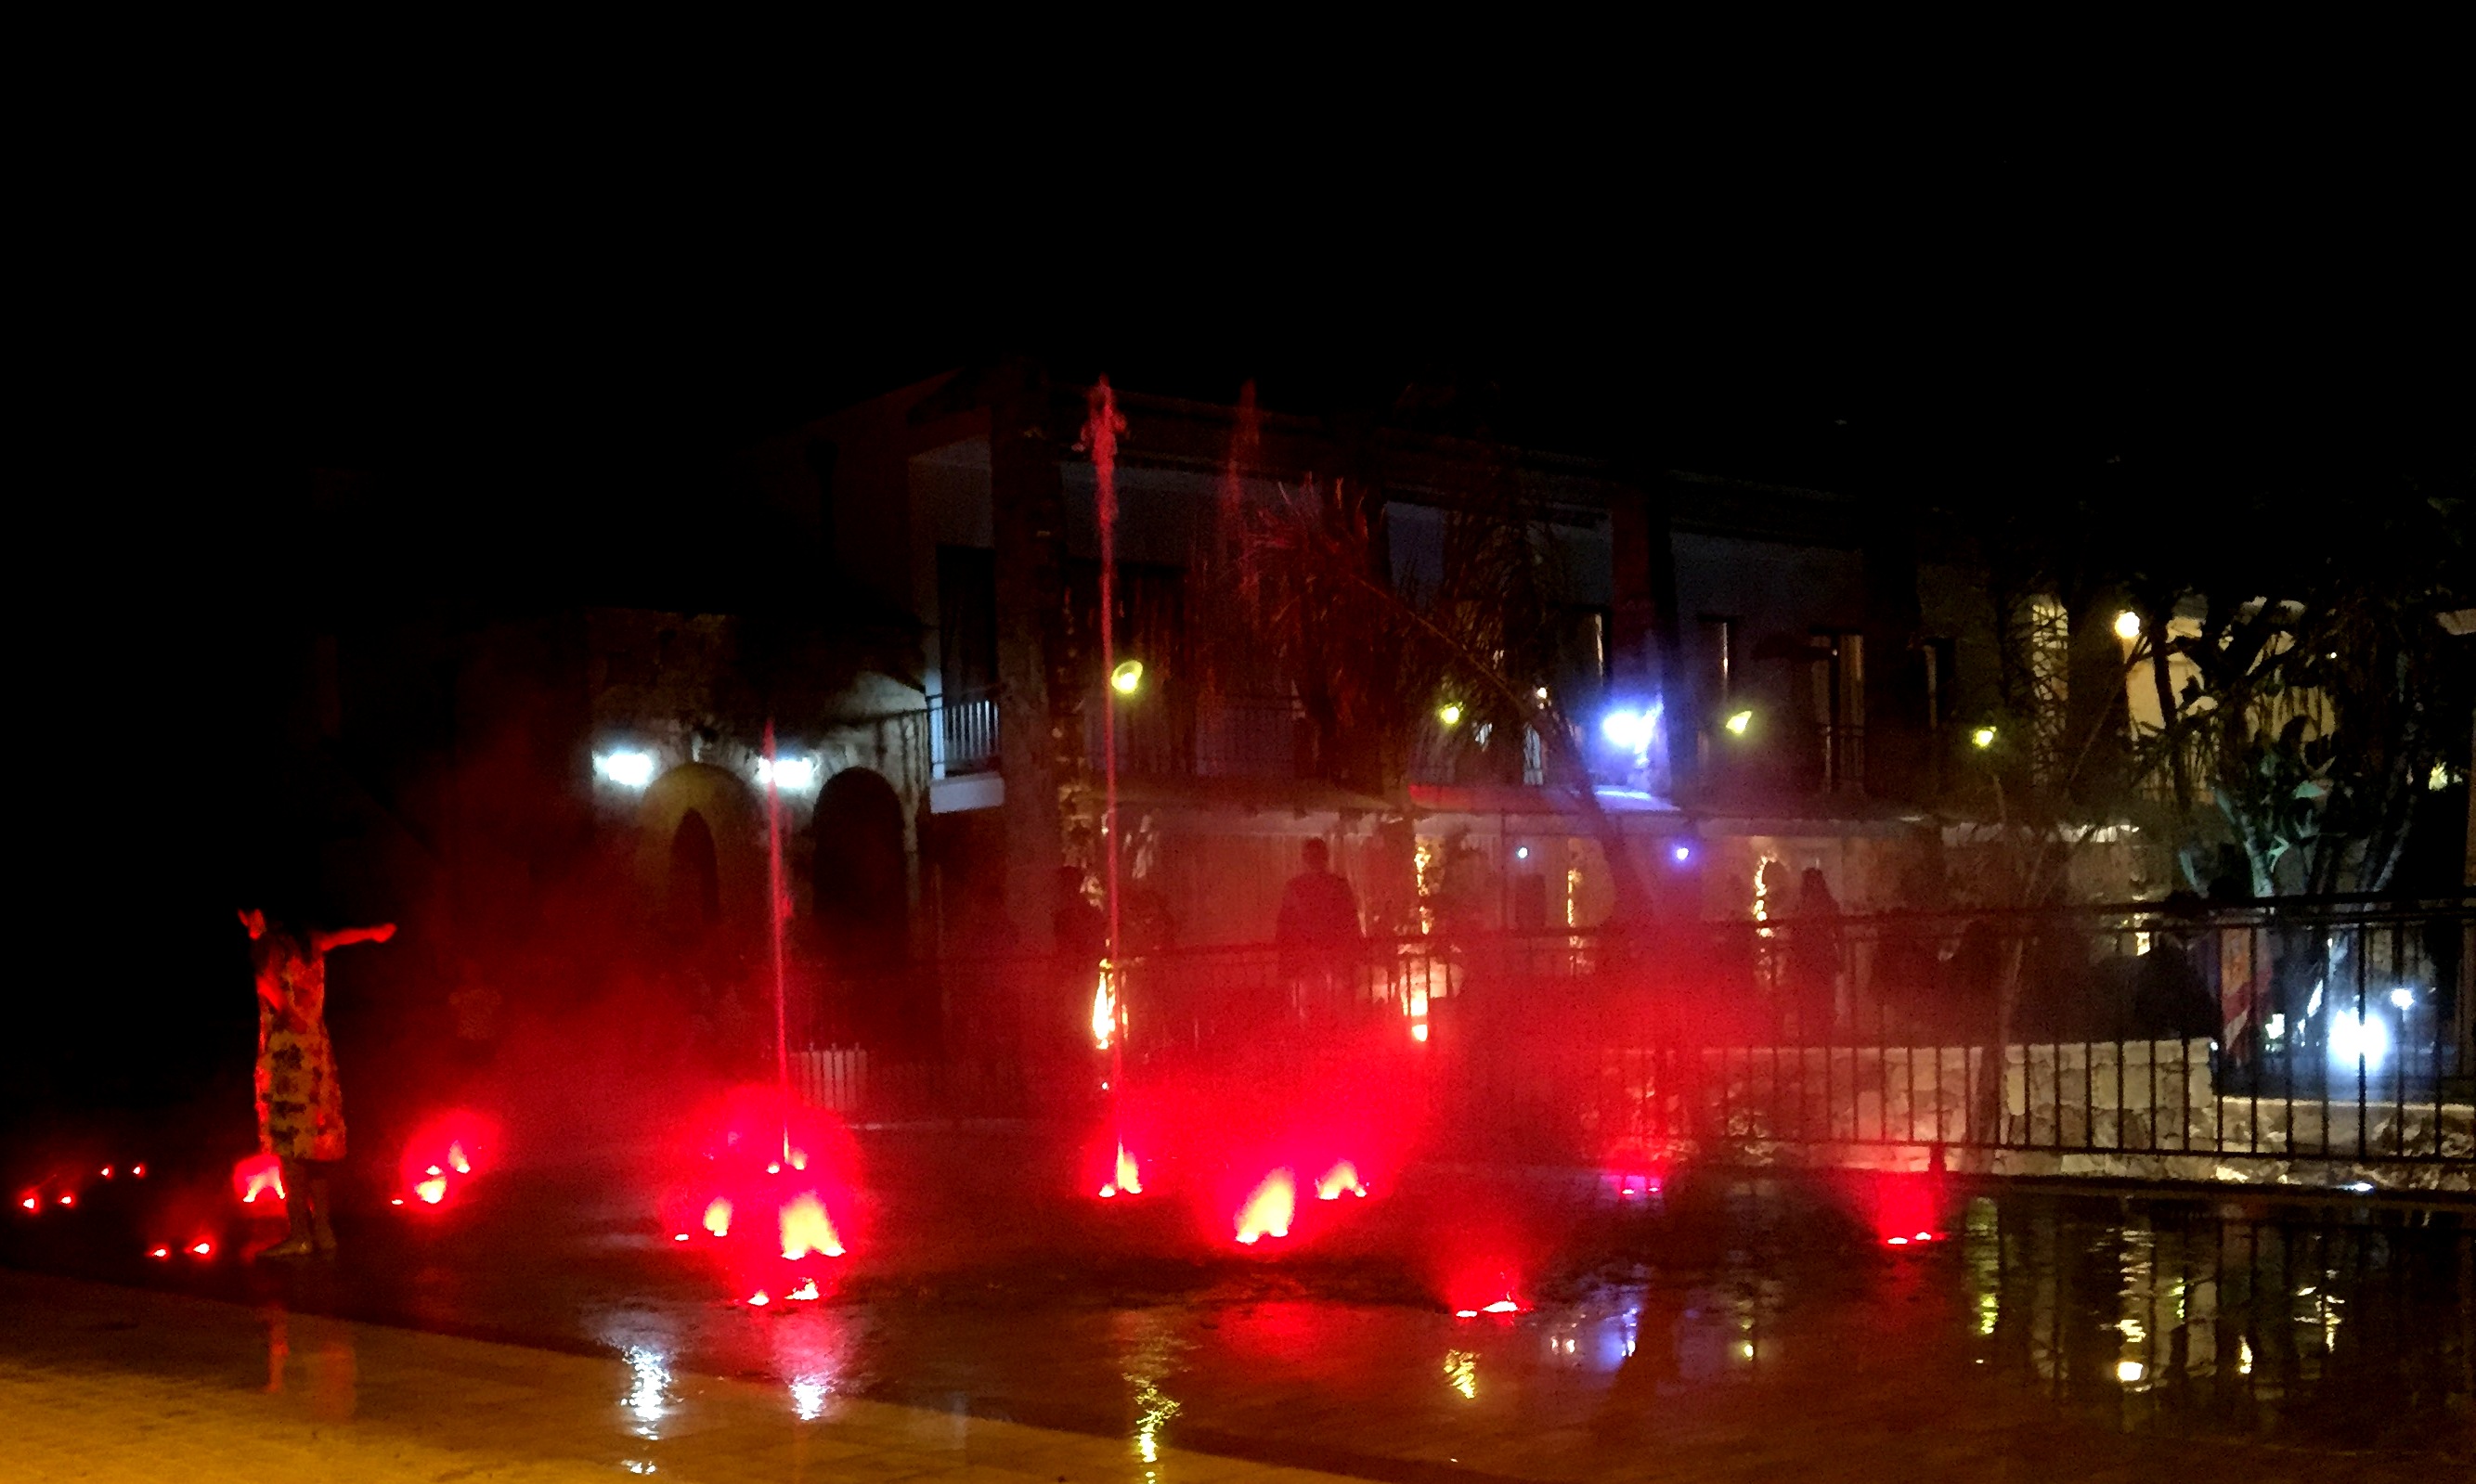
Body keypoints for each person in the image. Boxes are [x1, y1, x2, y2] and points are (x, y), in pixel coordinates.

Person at [240, 908, 395, 1258]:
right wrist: (373, 931)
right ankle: (324, 1231)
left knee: (290, 1147)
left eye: (246, 916)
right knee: (314, 1145)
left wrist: (287, 1012)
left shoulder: (269, 945)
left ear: (260, 914)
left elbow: (266, 981)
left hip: (286, 1053)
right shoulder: (309, 942)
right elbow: (341, 937)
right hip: (315, 1051)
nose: (245, 923)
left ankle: (300, 1234)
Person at [1276, 838, 1363, 1024]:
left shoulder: (1296, 887)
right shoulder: (1337, 885)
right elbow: (1350, 920)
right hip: (1324, 958)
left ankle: (1319, 1035)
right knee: (1331, 1006)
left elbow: (1285, 924)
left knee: (1314, 1007)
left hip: (1313, 958)